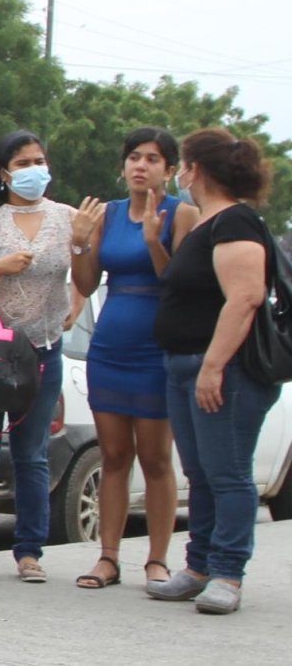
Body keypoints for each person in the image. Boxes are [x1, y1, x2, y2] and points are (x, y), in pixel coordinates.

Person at [149, 129, 278, 614]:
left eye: (182, 163)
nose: (181, 173)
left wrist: (213, 367)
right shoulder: (207, 223)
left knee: (228, 475)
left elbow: (244, 298)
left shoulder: (236, 223)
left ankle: (228, 572)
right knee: (201, 475)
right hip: (182, 364)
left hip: (226, 371)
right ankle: (198, 565)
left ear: (195, 168)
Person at [70, 127, 198, 589]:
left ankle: (158, 559)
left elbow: (182, 285)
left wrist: (153, 243)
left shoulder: (183, 214)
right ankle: (107, 557)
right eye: (134, 158)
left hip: (158, 348)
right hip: (110, 346)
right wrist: (80, 241)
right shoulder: (108, 213)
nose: (141, 166)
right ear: (123, 166)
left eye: (152, 159)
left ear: (168, 169)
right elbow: (85, 285)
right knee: (114, 455)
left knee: (157, 458)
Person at [0, 130, 73, 583]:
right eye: (23, 163)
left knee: (32, 454)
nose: (33, 170)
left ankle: (29, 551)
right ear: (5, 173)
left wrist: (76, 301)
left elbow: (84, 270)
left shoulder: (66, 218)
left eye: (39, 160)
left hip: (42, 349)